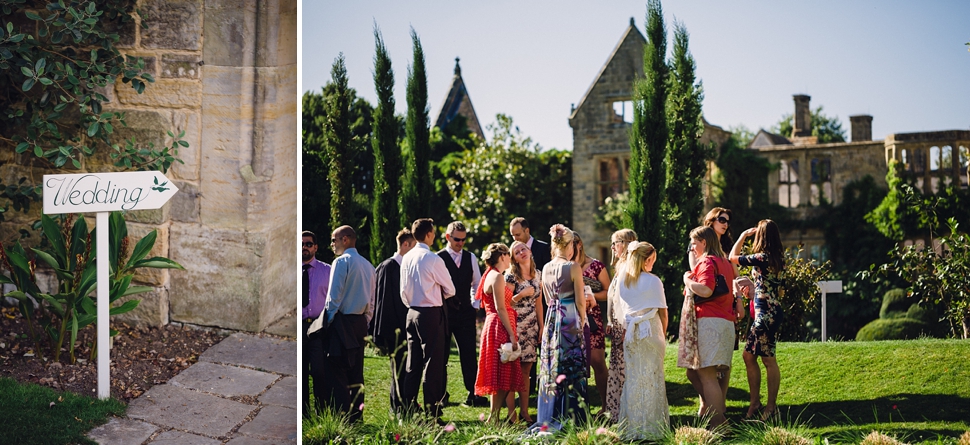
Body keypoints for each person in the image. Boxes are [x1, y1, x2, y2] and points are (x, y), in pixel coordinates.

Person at [306, 226, 376, 423]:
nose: (332, 245)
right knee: (356, 372)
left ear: (345, 240)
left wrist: (326, 324)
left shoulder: (341, 262)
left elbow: (333, 298)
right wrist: (365, 322)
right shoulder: (369, 265)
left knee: (337, 372)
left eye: (334, 240)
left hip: (341, 322)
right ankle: (357, 416)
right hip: (360, 322)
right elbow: (372, 302)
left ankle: (342, 418)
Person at [678, 226, 741, 428]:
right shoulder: (724, 262)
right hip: (725, 323)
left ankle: (718, 425)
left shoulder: (707, 261)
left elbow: (706, 290)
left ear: (704, 243)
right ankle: (720, 420)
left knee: (707, 376)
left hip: (709, 322)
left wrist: (687, 280)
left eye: (694, 243)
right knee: (695, 372)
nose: (692, 247)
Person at [532, 224, 588, 431]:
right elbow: (581, 301)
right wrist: (582, 321)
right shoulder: (573, 267)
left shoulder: (546, 267)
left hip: (552, 316)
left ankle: (549, 415)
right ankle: (572, 415)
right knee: (570, 364)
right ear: (570, 244)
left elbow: (547, 298)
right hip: (569, 317)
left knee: (552, 364)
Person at [400, 218, 456, 423]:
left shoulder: (406, 257)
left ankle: (407, 410)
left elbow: (403, 292)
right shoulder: (432, 259)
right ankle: (432, 413)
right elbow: (451, 289)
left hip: (411, 311)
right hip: (430, 313)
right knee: (432, 363)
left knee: (412, 364)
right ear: (429, 234)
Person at [729, 219, 786, 420]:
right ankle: (760, 405)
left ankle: (767, 407)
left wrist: (743, 236)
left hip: (765, 315)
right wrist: (753, 288)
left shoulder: (762, 257)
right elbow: (769, 286)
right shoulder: (778, 257)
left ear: (761, 236)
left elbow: (732, 257)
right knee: (752, 356)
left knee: (767, 359)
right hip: (773, 311)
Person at [616, 241, 669, 440]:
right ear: (646, 259)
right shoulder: (654, 281)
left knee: (634, 379)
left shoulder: (622, 280)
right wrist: (662, 336)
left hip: (631, 334)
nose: (653, 264)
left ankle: (632, 428)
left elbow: (622, 313)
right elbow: (663, 314)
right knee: (653, 378)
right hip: (651, 331)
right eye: (652, 260)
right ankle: (653, 429)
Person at [437, 221, 486, 407]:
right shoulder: (438, 258)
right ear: (448, 237)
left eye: (464, 240)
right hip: (445, 312)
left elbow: (477, 282)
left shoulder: (470, 257)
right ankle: (441, 395)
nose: (461, 243)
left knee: (468, 354)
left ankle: (474, 394)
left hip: (465, 312)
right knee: (441, 355)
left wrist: (475, 303)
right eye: (457, 239)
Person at [368, 229, 417, 414]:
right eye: (413, 246)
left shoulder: (406, 267)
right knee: (399, 368)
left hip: (406, 327)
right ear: (405, 244)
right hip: (394, 328)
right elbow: (382, 302)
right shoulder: (388, 267)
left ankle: (404, 404)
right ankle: (398, 406)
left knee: (407, 368)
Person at [474, 243, 522, 424]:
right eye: (508, 254)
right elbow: (501, 307)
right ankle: (493, 417)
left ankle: (493, 417)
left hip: (494, 323)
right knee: (503, 371)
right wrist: (511, 334)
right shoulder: (497, 277)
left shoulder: (491, 275)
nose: (510, 258)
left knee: (499, 372)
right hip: (499, 326)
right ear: (502, 256)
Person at [504, 240, 544, 423]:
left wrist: (542, 327)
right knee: (513, 370)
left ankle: (525, 411)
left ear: (529, 250)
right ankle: (511, 413)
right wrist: (521, 294)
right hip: (515, 327)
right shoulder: (511, 276)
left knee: (527, 370)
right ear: (514, 258)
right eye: (517, 251)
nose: (522, 252)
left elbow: (538, 303)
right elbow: (505, 303)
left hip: (532, 328)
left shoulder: (538, 275)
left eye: (523, 249)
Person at [571, 232, 610, 410]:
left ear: (578, 244)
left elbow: (608, 292)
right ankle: (578, 408)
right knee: (574, 365)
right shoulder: (565, 267)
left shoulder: (596, 266)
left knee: (598, 362)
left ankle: (606, 405)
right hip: (570, 318)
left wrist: (589, 295)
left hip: (592, 319)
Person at [604, 228, 637, 421]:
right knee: (617, 365)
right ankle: (617, 412)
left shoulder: (629, 268)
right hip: (616, 324)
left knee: (625, 367)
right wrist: (610, 319)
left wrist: (624, 324)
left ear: (624, 244)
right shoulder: (620, 267)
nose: (612, 247)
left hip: (625, 325)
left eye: (615, 243)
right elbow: (613, 298)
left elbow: (627, 299)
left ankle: (626, 412)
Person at [301, 231, 330, 416]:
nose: (304, 247)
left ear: (316, 247)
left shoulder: (327, 270)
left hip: (318, 327)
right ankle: (304, 414)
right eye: (302, 244)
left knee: (319, 371)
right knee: (301, 374)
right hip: (300, 326)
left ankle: (321, 413)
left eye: (308, 244)